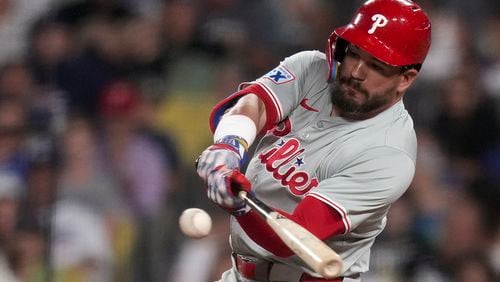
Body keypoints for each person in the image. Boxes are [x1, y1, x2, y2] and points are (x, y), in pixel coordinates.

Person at [195, 0, 432, 281]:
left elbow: (298, 236)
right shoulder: (311, 68)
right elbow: (255, 104)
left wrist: (241, 207)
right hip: (240, 273)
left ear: (405, 78)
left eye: (376, 65)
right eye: (354, 53)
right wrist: (230, 146)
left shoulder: (390, 153)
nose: (356, 72)